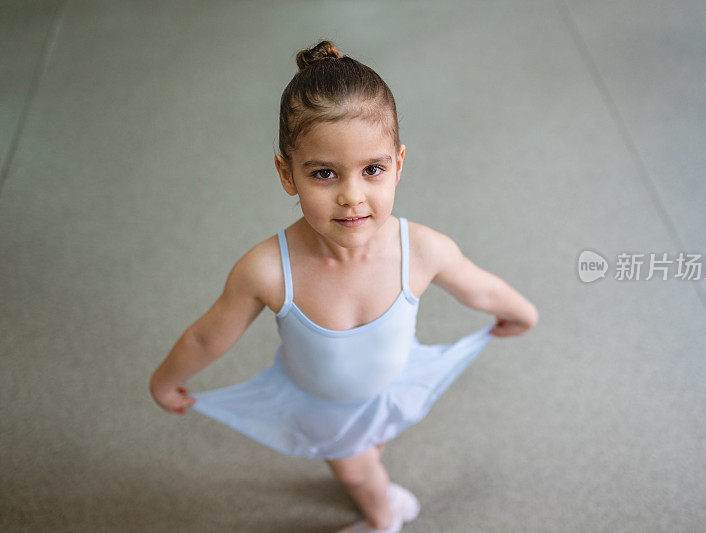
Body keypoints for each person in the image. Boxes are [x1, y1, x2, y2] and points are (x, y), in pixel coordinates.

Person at [149, 39, 539, 533]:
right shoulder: (268, 270)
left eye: (372, 170)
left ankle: (381, 520)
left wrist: (521, 311)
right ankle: (379, 494)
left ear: (398, 163)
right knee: (356, 460)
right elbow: (209, 336)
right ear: (287, 174)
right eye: (324, 173)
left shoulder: (421, 249)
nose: (351, 196)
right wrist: (165, 379)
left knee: (358, 470)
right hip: (320, 401)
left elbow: (479, 289)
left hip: (391, 379)